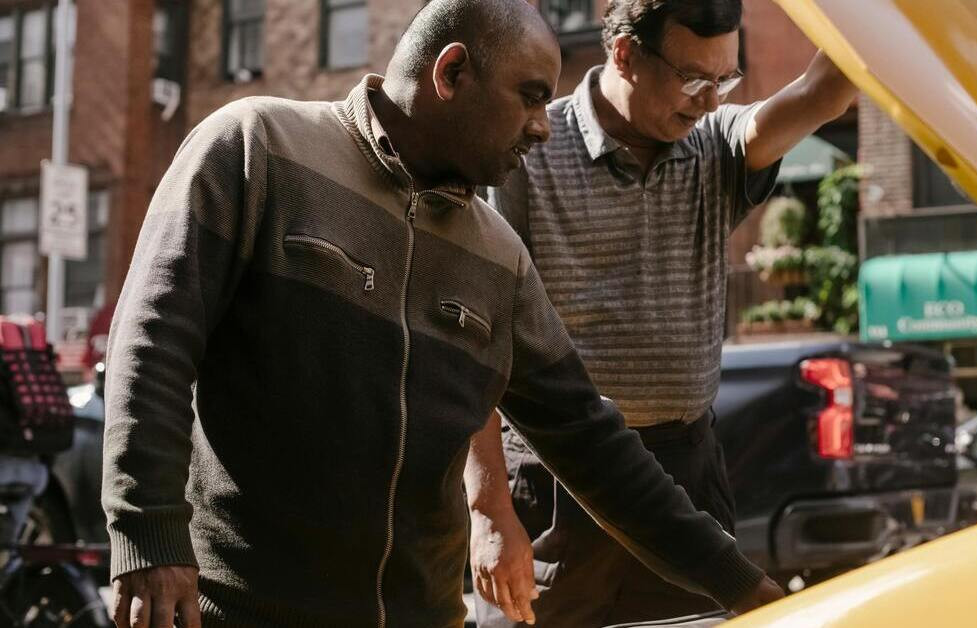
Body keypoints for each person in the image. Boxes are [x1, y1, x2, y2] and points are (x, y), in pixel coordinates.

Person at [100, 0, 783, 626]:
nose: (543, 128)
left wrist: (745, 590)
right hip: (242, 610)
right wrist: (149, 535)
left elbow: (591, 442)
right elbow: (153, 344)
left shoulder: (498, 257)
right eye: (529, 97)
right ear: (452, 72)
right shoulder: (257, 148)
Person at [465, 0, 857, 625]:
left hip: (687, 476)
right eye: (694, 77)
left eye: (724, 79)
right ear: (625, 53)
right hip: (556, 478)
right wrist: (488, 509)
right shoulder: (529, 150)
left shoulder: (719, 145)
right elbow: (475, 338)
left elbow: (827, 89)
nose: (709, 98)